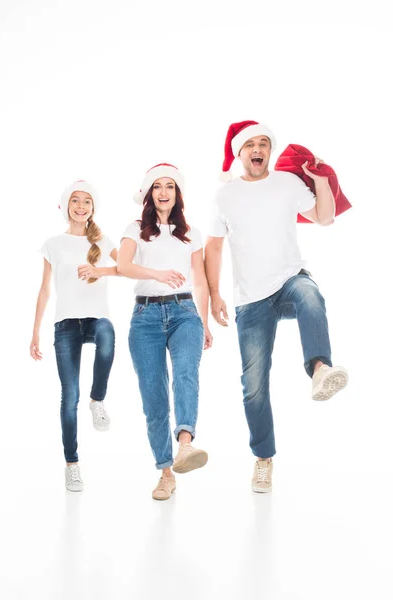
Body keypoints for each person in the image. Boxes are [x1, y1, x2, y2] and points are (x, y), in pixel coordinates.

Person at [205, 120, 348, 494]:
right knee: (253, 386)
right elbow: (215, 248)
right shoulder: (225, 197)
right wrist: (216, 296)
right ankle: (263, 459)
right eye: (250, 144)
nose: (258, 150)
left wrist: (317, 178)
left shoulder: (288, 185)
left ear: (269, 151)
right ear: (240, 153)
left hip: (288, 280)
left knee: (311, 294)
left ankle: (319, 368)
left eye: (264, 144)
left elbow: (325, 216)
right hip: (250, 298)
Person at [117, 163, 212, 501]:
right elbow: (123, 266)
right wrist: (156, 274)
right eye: (157, 187)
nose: (163, 192)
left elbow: (199, 280)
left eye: (169, 186)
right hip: (144, 318)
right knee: (154, 397)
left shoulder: (192, 234)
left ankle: (185, 444)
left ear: (177, 193)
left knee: (186, 375)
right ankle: (166, 473)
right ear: (148, 193)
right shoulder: (135, 229)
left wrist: (205, 322)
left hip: (185, 312)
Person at [30, 181, 117, 492]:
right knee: (69, 398)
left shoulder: (103, 241)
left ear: (93, 208)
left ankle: (98, 400)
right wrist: (35, 331)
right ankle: (72, 465)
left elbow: (126, 267)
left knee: (107, 336)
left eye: (87, 202)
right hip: (65, 323)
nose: (81, 206)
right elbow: (44, 289)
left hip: (96, 316)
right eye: (76, 201)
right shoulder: (53, 243)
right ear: (66, 206)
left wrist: (101, 271)